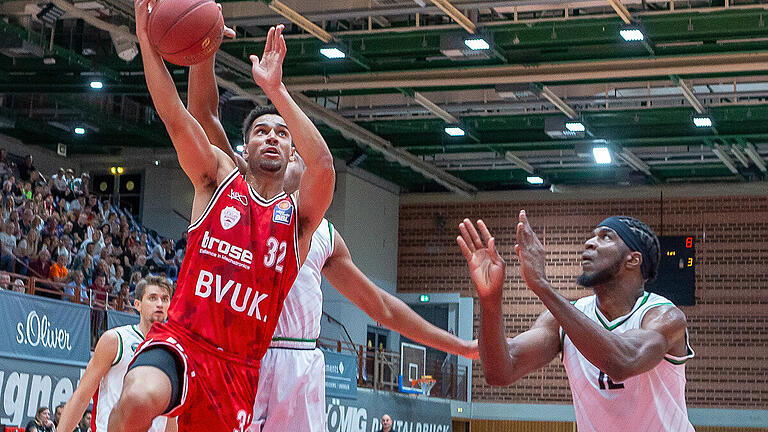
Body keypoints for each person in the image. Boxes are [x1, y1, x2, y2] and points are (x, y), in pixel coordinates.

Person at [107, 7, 334, 431]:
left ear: (291, 156)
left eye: (282, 134)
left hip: (237, 370)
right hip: (181, 340)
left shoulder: (299, 223)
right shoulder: (217, 180)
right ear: (242, 151)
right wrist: (146, 42)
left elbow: (323, 164)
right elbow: (178, 118)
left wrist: (276, 89)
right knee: (137, 397)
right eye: (261, 131)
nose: (272, 136)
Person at [458, 212, 694, 432]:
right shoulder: (563, 319)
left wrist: (542, 285)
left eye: (605, 237)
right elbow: (500, 371)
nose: (589, 243)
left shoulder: (663, 316)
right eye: (592, 236)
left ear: (633, 260)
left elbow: (623, 362)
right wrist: (489, 299)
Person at [58, 276, 175, 432]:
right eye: (152, 298)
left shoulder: (175, 350)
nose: (159, 304)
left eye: (165, 299)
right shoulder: (115, 340)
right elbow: (81, 396)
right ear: (137, 304)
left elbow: (171, 414)